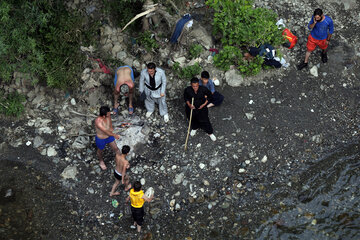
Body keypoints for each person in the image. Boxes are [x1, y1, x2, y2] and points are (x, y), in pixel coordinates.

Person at [184, 77, 216, 141]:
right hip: (192, 108)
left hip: (201, 107)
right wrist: (189, 105)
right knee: (192, 118)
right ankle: (195, 128)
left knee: (205, 120)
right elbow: (186, 98)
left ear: (198, 84)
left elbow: (210, 96)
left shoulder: (203, 89)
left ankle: (210, 132)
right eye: (193, 86)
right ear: (191, 85)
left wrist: (204, 104)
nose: (195, 88)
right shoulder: (187, 90)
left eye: (196, 86)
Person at [95, 106, 121, 170]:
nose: (109, 114)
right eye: (108, 114)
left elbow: (109, 122)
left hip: (109, 136)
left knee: (116, 148)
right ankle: (101, 161)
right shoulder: (98, 122)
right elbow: (106, 132)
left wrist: (111, 127)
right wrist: (115, 135)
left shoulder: (107, 115)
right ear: (104, 116)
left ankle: (120, 160)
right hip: (101, 139)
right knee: (100, 151)